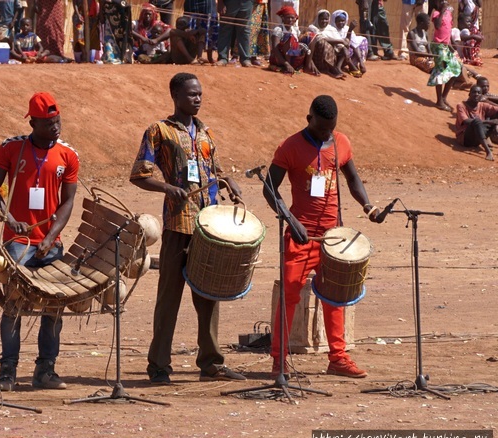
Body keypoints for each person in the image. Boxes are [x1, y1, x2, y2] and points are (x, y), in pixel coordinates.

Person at [130, 73, 246, 385]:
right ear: (176, 96)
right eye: (191, 94)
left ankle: (211, 362)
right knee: (169, 296)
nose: (197, 98)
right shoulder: (160, 131)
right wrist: (167, 188)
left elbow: (215, 171)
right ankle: (158, 365)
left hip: (208, 226)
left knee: (209, 294)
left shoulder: (206, 133)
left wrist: (228, 181)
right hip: (177, 224)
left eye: (200, 94)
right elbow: (139, 174)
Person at [262, 95, 383, 380]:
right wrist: (290, 220)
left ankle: (338, 358)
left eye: (332, 127)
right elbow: (270, 188)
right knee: (290, 295)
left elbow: (353, 179)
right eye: (322, 128)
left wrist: (368, 206)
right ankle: (279, 361)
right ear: (309, 119)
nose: (327, 133)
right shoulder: (289, 147)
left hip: (334, 238)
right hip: (300, 236)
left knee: (336, 297)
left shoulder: (341, 142)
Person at [0, 92, 79, 391]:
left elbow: (68, 202)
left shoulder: (68, 155)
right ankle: (7, 371)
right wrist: (9, 219)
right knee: (14, 303)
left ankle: (45, 370)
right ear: (33, 122)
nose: (56, 127)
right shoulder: (11, 148)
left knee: (54, 306)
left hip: (50, 244)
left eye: (58, 121)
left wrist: (51, 237)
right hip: (17, 243)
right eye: (49, 123)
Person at [427, 0, 461, 111]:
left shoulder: (449, 14)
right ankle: (439, 101)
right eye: (441, 1)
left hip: (445, 46)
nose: (444, 2)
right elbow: (437, 26)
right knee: (440, 70)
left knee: (456, 69)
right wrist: (442, 11)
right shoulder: (437, 13)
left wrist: (451, 45)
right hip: (438, 46)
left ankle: (443, 97)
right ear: (437, 3)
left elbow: (448, 30)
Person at [268, 5, 316, 75]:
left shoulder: (295, 29)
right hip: (279, 58)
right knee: (290, 38)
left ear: (295, 19)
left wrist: (310, 60)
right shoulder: (278, 29)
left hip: (293, 57)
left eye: (292, 18)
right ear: (283, 18)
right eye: (288, 17)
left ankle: (307, 65)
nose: (290, 20)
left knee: (310, 36)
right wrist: (286, 64)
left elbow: (300, 43)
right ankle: (287, 65)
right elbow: (275, 49)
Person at [455, 85, 498, 161]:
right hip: (465, 139)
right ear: (469, 94)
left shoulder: (482, 105)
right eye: (474, 92)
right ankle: (488, 152)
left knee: (495, 116)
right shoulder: (461, 106)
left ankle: (491, 138)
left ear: (481, 95)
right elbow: (466, 121)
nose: (476, 94)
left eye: (479, 92)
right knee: (477, 121)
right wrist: (489, 121)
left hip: (477, 138)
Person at [308, 10, 349, 80]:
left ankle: (337, 68)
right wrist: (341, 41)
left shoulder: (331, 29)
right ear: (318, 19)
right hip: (317, 57)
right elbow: (319, 38)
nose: (324, 21)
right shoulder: (312, 27)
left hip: (332, 56)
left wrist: (343, 47)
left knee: (343, 46)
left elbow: (340, 42)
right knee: (322, 42)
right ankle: (332, 69)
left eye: (326, 19)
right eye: (322, 19)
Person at [216, 0, 253, 66]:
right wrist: (220, 2)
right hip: (229, 3)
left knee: (244, 30)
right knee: (225, 29)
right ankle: (223, 58)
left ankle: (245, 59)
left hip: (247, 3)